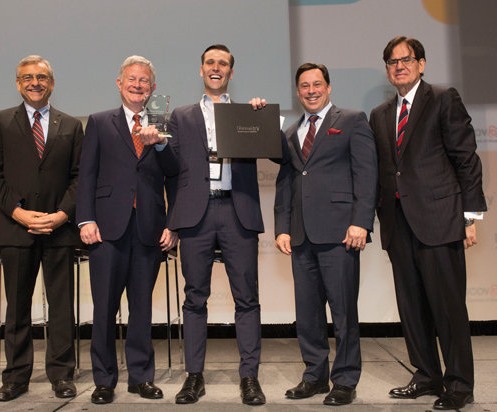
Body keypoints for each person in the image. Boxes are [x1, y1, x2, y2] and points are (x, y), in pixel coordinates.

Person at [369, 36, 487, 410]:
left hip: (439, 219)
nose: (399, 66)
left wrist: (469, 216)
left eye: (406, 59)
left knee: (447, 306)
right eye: (392, 61)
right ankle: (426, 375)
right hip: (398, 223)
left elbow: (465, 158)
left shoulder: (443, 97)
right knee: (412, 306)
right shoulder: (380, 114)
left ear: (421, 63)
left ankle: (459, 385)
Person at [167, 44, 281, 406]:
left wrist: (263, 120)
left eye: (224, 64)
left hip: (238, 211)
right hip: (195, 215)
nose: (216, 68)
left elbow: (278, 153)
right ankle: (194, 377)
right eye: (210, 62)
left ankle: (249, 377)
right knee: (194, 299)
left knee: (247, 300)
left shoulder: (248, 112)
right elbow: (169, 169)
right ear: (201, 70)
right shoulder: (180, 117)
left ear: (231, 72)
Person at [76, 55, 179, 405]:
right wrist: (85, 219)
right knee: (104, 307)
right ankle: (103, 379)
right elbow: (86, 175)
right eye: (132, 80)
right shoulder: (100, 122)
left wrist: (161, 143)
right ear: (119, 84)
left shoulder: (162, 123)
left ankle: (141, 377)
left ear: (153, 88)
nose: (138, 86)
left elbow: (174, 172)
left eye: (144, 81)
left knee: (142, 308)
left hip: (149, 228)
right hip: (106, 228)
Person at [274, 63, 377, 406]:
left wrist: (361, 221)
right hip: (301, 235)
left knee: (343, 311)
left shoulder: (351, 120)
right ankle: (314, 377)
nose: (311, 90)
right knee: (308, 313)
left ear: (329, 87)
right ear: (298, 91)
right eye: (304, 86)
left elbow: (366, 174)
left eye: (317, 84)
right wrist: (282, 227)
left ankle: (345, 380)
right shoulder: (290, 132)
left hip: (340, 233)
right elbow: (286, 183)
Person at [0, 55, 83, 401]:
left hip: (59, 230)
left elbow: (79, 177)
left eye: (41, 77)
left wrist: (61, 215)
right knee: (18, 307)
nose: (35, 82)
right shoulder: (0, 121)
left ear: (52, 83)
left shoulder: (71, 125)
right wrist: (19, 213)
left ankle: (62, 374)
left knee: (61, 307)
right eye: (27, 77)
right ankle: (15, 377)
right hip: (15, 229)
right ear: (18, 83)